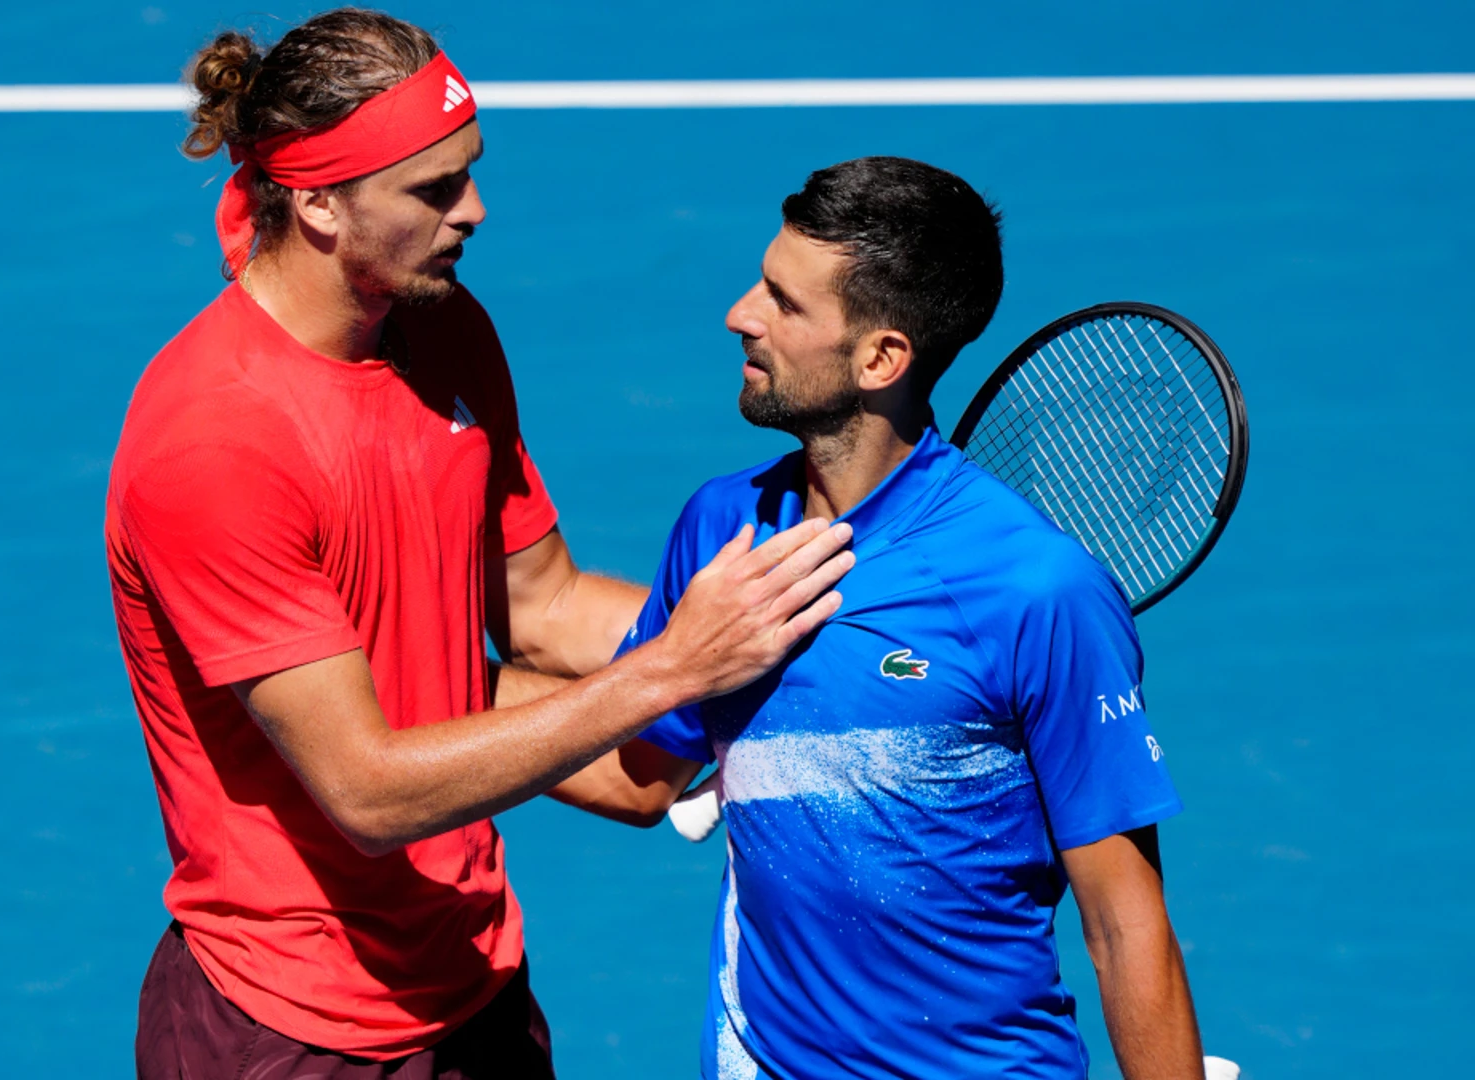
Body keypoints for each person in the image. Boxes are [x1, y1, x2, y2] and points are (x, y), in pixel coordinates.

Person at [103, 10, 853, 1078]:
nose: (475, 211)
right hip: (287, 1029)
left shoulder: (442, 327)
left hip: (473, 983)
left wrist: (796, 616)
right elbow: (366, 790)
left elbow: (541, 606)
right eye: (434, 190)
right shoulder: (215, 441)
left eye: (470, 173)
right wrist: (678, 670)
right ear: (318, 200)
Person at [537, 157, 1206, 1078]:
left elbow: (1127, 929)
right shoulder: (720, 527)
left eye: (784, 301)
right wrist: (420, 664)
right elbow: (637, 778)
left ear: (881, 358)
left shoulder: (1033, 590)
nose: (742, 313)